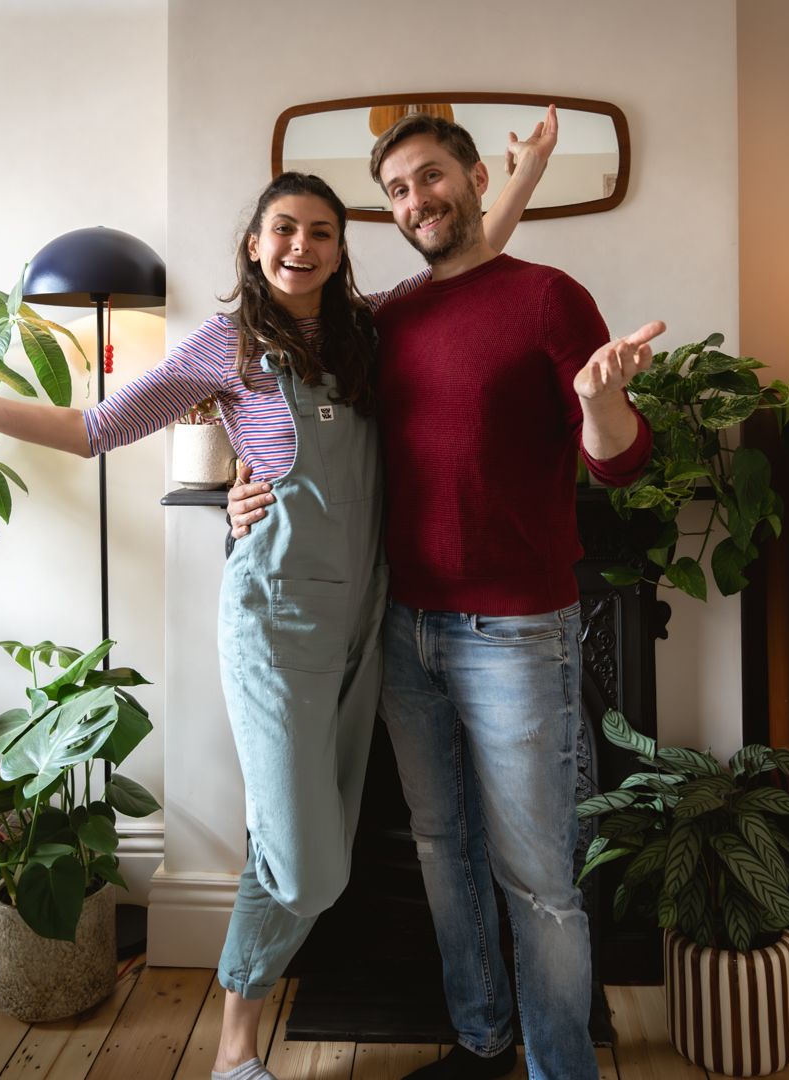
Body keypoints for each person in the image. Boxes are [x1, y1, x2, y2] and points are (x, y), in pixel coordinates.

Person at [0, 129, 553, 1080]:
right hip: (275, 627)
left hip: (364, 629)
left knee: (321, 857)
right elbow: (93, 427)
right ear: (254, 246)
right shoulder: (222, 347)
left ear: (342, 249)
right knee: (304, 861)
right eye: (283, 229)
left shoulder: (370, 334)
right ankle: (234, 1050)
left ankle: (236, 1049)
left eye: (320, 230)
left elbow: (466, 257)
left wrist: (526, 175)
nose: (300, 245)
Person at [228, 113, 660, 1080]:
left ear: (472, 178)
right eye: (397, 191)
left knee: (541, 880)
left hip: (516, 632)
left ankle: (558, 1067)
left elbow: (623, 463)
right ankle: (481, 1039)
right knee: (441, 850)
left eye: (432, 178)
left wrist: (601, 405)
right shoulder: (387, 319)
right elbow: (310, 437)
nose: (416, 200)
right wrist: (240, 483)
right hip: (402, 626)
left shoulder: (551, 300)